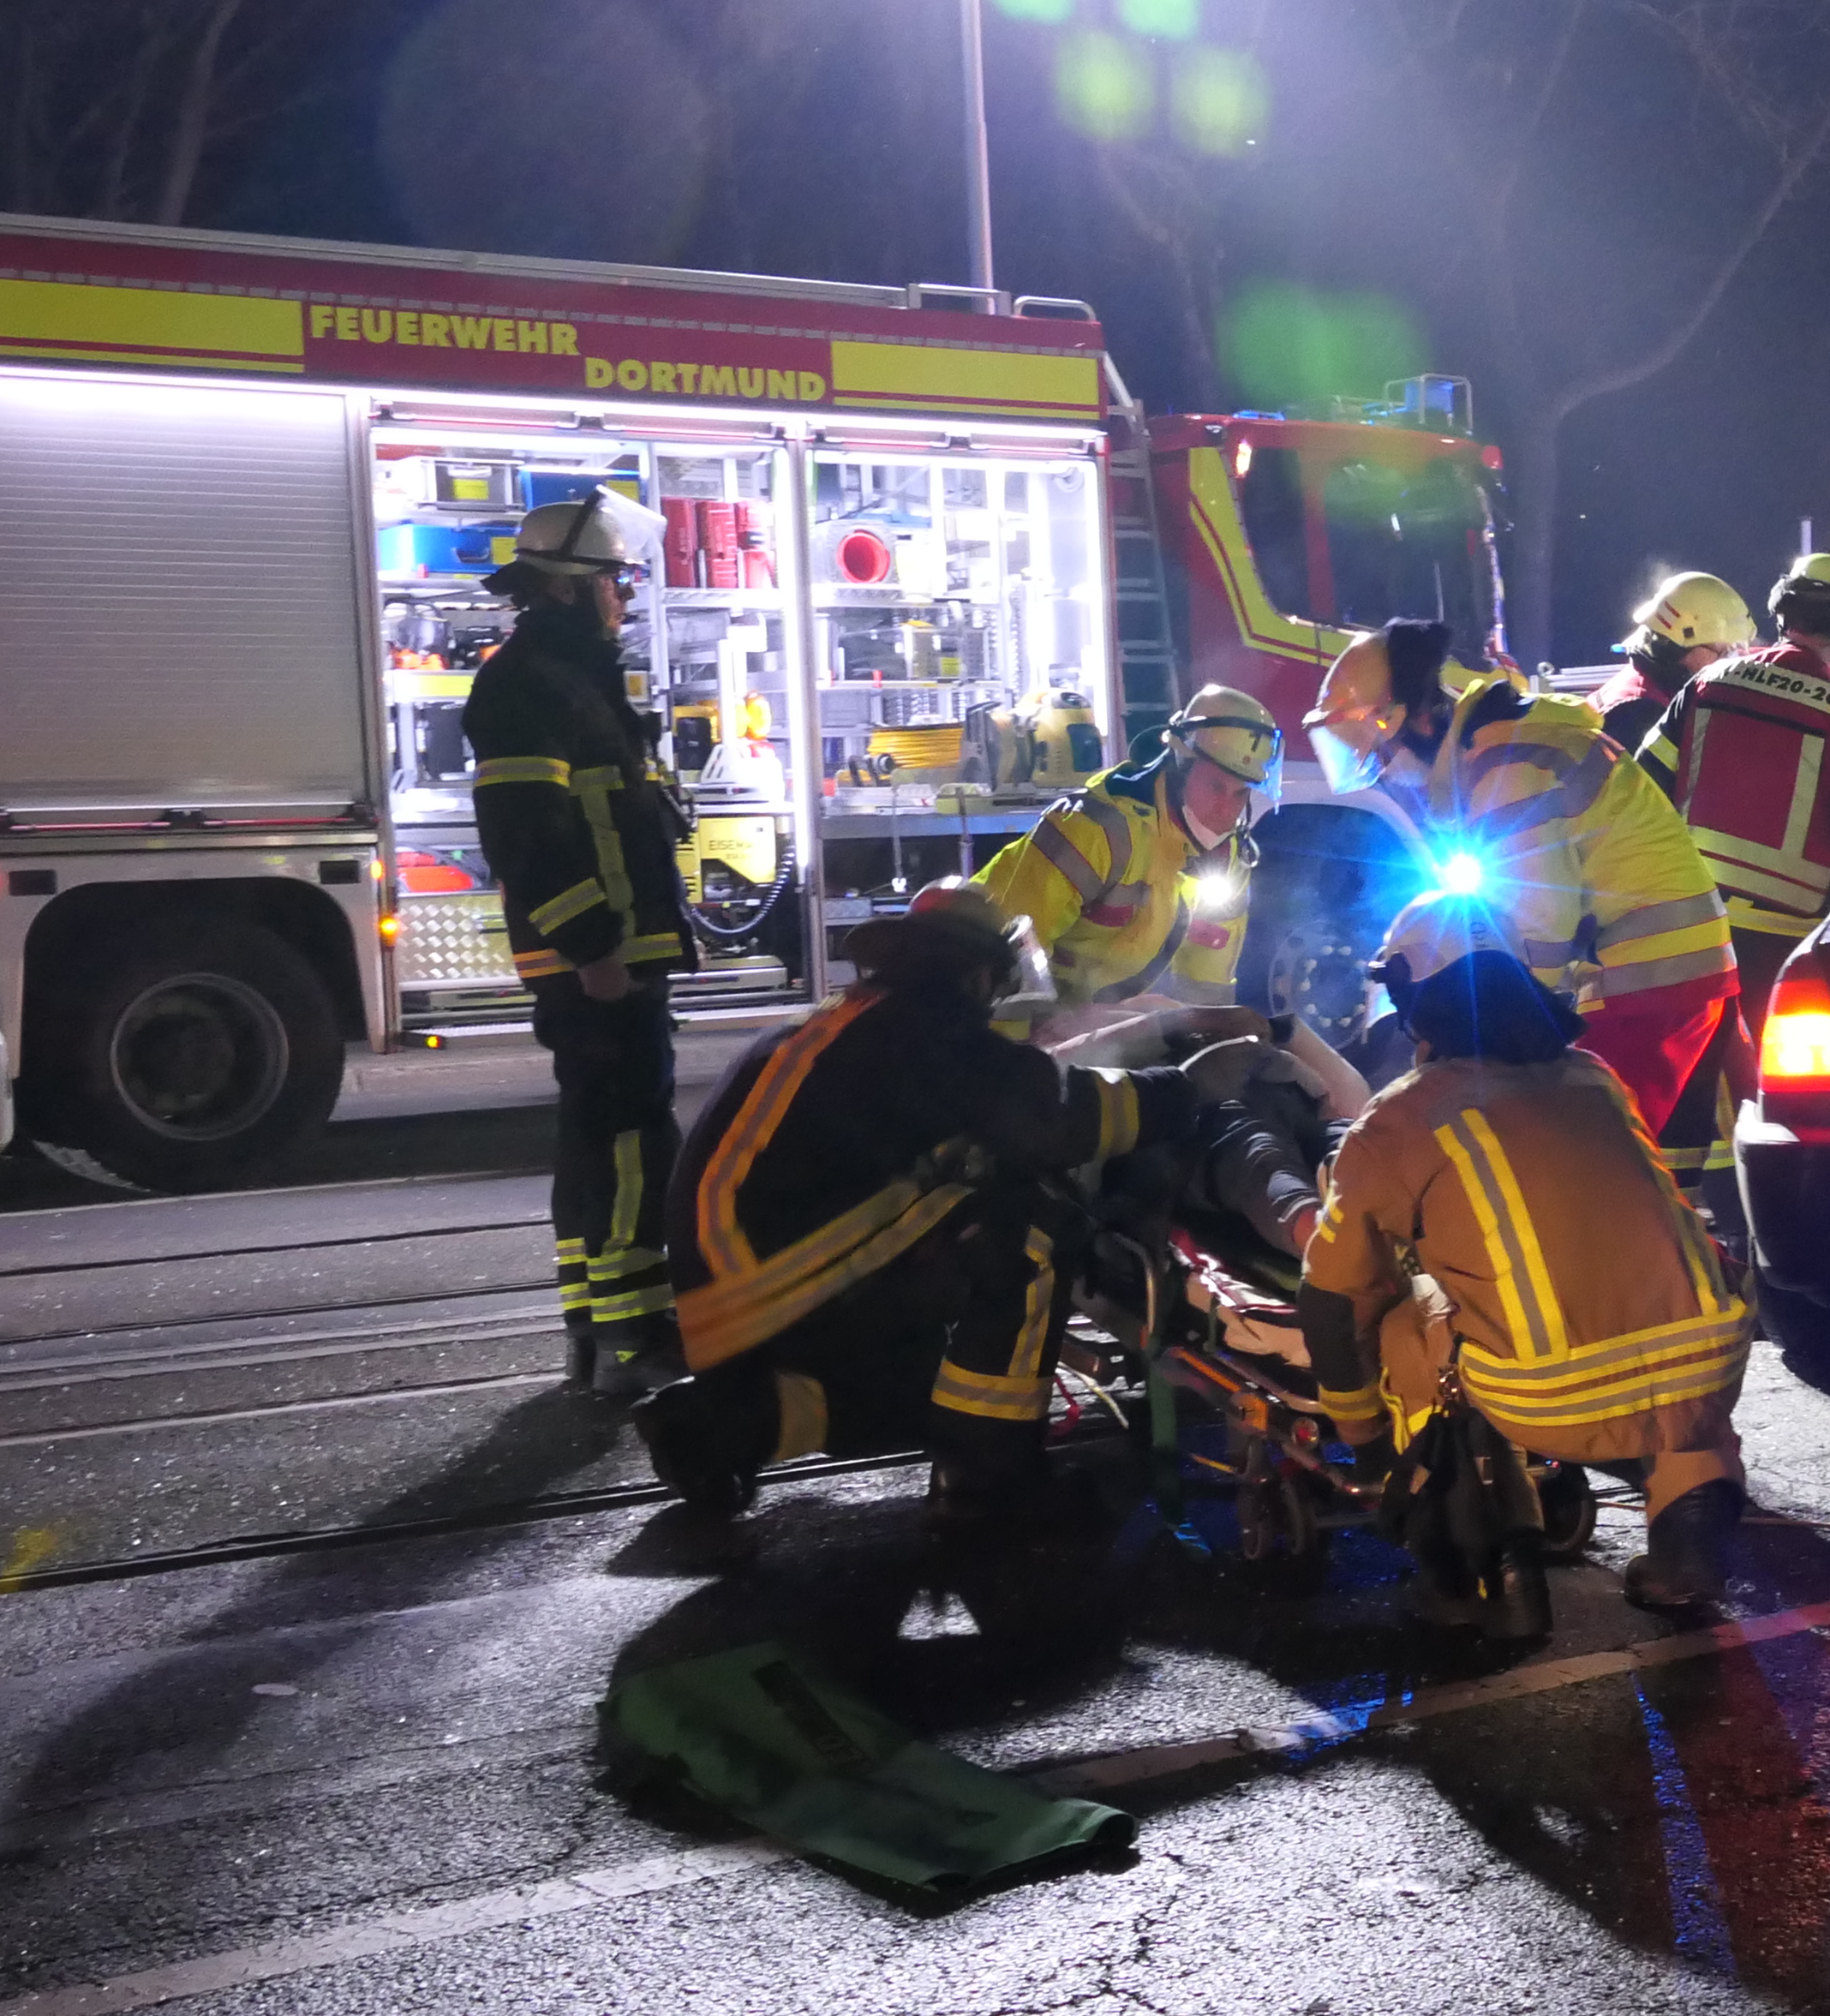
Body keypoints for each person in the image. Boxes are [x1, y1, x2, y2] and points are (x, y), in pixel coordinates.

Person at [638, 881, 1254, 1539]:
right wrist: (1187, 1090)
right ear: (978, 970)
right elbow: (1053, 1119)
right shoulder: (924, 1028)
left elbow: (991, 1104)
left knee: (932, 1387)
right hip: (773, 1275)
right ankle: (991, 1483)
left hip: (732, 1288)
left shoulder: (865, 1018)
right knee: (1031, 1229)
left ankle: (718, 1427)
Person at [1297, 894, 1758, 1617]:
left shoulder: (1399, 1118)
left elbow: (1332, 1295)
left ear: (1413, 995)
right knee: (1670, 1324)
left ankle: (1473, 1528)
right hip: (1709, 1368)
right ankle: (1689, 1536)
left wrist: (1363, 1439)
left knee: (1399, 1317)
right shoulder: (1595, 1077)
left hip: (1550, 1396)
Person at [1304, 615, 1740, 1131]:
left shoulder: (1505, 765)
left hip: (1645, 978)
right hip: (1666, 969)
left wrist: (1505, 1043)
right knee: (1628, 1151)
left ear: (1419, 720)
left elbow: (1541, 927)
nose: (1389, 776)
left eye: (1383, 756)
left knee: (1581, 1146)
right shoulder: (1497, 746)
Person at [466, 488, 691, 1401]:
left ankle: (597, 1325)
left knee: (596, 1135)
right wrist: (595, 945)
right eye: (615, 583)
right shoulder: (528, 685)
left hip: (611, 951)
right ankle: (634, 1328)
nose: (625, 598)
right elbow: (527, 832)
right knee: (633, 1138)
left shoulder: (571, 674)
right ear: (566, 589)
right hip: (599, 959)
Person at [1636, 551, 1830, 1221]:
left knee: (1683, 1086)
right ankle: (1794, 1232)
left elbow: (1639, 792)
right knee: (1795, 1095)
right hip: (1786, 942)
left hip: (1691, 924)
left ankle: (1666, 1229)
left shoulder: (1708, 686)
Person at [966, 686, 1285, 1039]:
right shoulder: (1095, 831)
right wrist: (1008, 1061)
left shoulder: (1230, 859)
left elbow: (1206, 986)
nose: (1227, 811)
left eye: (1241, 793)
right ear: (1180, 766)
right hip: (980, 1006)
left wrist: (1207, 1048)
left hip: (1094, 1022)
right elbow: (1001, 956)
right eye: (1215, 787)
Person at [1587, 569, 1754, 758]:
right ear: (1678, 646)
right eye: (1723, 651)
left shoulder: (1645, 683)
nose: (1728, 660)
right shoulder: (1642, 715)